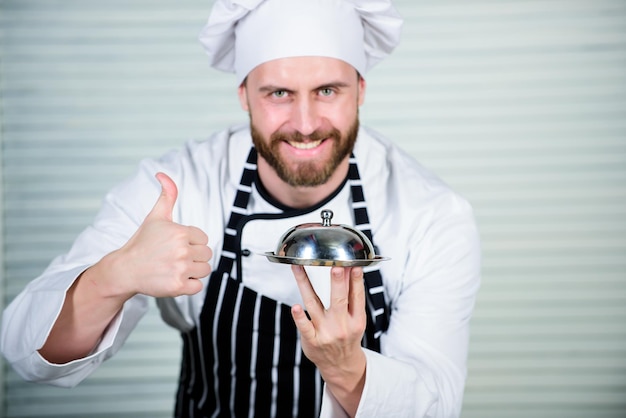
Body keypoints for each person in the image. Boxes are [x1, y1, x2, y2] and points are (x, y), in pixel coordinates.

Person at [0, 0, 481, 416]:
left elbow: (435, 404)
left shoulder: (430, 215)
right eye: (278, 93)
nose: (307, 123)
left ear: (361, 90)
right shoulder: (180, 187)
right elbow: (26, 350)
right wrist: (114, 276)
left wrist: (347, 370)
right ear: (244, 97)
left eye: (328, 91)